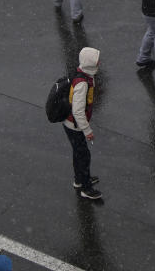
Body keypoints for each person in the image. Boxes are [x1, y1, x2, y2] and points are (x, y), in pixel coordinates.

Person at [64, 47, 102, 200]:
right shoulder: (83, 84)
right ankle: (86, 187)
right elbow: (78, 111)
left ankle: (79, 179)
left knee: (78, 153)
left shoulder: (82, 74)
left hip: (71, 124)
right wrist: (87, 130)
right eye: (97, 60)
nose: (99, 62)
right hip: (75, 126)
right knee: (84, 156)